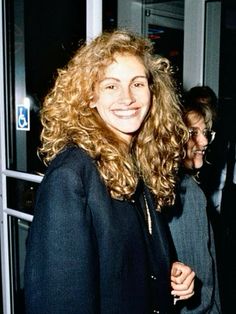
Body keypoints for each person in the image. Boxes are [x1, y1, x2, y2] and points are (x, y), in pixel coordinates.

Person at [24, 29, 195, 314]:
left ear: (153, 93)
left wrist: (165, 272)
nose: (127, 98)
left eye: (137, 83)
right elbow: (58, 302)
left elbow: (118, 264)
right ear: (90, 97)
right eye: (111, 86)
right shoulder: (71, 176)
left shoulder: (138, 161)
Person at [164, 98, 222, 313]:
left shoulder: (175, 187)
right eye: (193, 133)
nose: (205, 141)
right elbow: (202, 287)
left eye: (206, 132)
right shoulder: (186, 193)